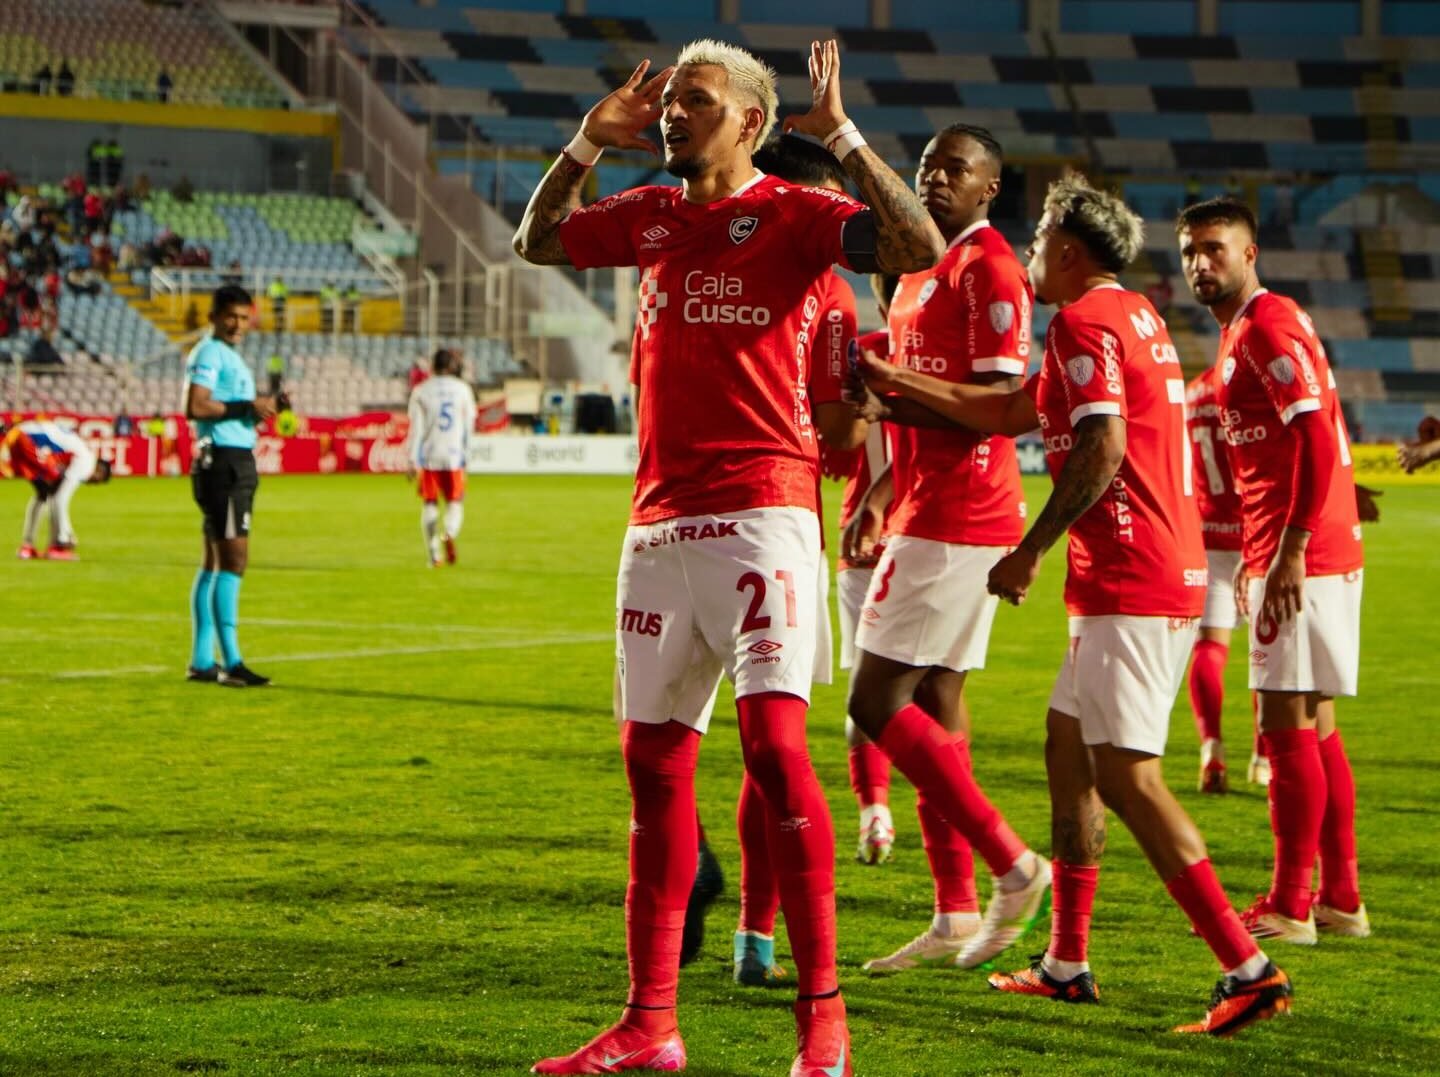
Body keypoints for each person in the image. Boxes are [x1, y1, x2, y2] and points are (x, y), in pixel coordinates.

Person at [513, 37, 941, 1077]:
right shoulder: (653, 213)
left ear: (750, 120)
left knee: (774, 755)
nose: (672, 115)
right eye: (670, 104)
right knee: (652, 770)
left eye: (695, 102)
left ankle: (822, 1022)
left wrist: (839, 134)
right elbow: (539, 244)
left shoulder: (796, 218)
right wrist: (583, 143)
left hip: (762, 515)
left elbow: (916, 244)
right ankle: (651, 1024)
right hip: (656, 526)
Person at [854, 174, 1293, 1036]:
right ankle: (1065, 962)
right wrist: (901, 386)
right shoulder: (1125, 315)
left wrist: (1029, 549)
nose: (1026, 255)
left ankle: (1248, 968)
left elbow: (1102, 443)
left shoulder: (1088, 322)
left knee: (1129, 777)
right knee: (1067, 749)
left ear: (1064, 248)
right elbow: (1014, 408)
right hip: (1130, 576)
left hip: (1133, 576)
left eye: (1036, 241)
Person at [843, 123, 1050, 976]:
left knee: (873, 699)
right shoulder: (921, 268)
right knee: (934, 702)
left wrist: (889, 395)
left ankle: (1012, 863)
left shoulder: (990, 268)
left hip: (959, 513)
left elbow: (1001, 404)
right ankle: (954, 909)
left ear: (988, 188)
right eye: (927, 164)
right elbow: (920, 402)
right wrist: (885, 482)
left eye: (954, 168)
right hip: (927, 505)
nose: (935, 178)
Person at [1177, 197, 1369, 944]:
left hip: (1301, 557)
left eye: (1215, 248)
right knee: (1316, 724)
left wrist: (1285, 551)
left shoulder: (1262, 326)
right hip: (1308, 547)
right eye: (1191, 249)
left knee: (1287, 724)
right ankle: (1342, 898)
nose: (1201, 262)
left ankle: (1293, 905)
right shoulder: (1247, 332)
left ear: (1250, 253)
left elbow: (1316, 434)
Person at [718, 131, 871, 989]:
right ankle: (759, 940)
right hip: (776, 527)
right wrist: (865, 407)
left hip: (669, 522)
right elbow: (841, 436)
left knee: (667, 750)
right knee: (775, 746)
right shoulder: (831, 287)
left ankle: (735, 939)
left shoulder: (694, 245)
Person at [184, 284, 277, 688]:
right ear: (214, 316)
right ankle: (232, 663)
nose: (238, 324)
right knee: (234, 560)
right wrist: (245, 408)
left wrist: (258, 412)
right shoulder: (209, 352)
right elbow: (196, 405)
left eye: (244, 317)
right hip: (224, 463)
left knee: (212, 563)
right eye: (231, 317)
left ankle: (203, 660)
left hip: (229, 458)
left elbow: (227, 410)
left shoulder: (228, 355)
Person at [1184, 362, 1268, 791]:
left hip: (1206, 535)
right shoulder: (1253, 386)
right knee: (1268, 653)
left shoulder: (1191, 393)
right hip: (1258, 534)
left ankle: (1211, 748)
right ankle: (1263, 757)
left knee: (1210, 647)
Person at [406, 348, 476, 567]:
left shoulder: (421, 391)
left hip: (429, 456)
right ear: (452, 367)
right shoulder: (463, 390)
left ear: (432, 367)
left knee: (429, 503)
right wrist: (468, 455)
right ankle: (450, 532)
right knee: (456, 501)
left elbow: (415, 429)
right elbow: (469, 425)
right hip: (454, 455)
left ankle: (434, 555)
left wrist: (411, 459)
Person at [3, 418, 110, 559]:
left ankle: (27, 547)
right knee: (55, 494)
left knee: (44, 492)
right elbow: (61, 499)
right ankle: (59, 545)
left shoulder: (78, 450)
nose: (91, 484)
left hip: (16, 437)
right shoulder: (87, 463)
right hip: (28, 439)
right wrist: (67, 533)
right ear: (99, 471)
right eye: (97, 481)